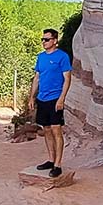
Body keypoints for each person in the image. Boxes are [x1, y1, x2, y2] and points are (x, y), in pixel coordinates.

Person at [27, 27, 72, 177]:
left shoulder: (62, 57)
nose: (44, 42)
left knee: (56, 130)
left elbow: (67, 79)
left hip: (55, 99)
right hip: (42, 99)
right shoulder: (41, 57)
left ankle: (58, 165)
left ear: (55, 41)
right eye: (43, 39)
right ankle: (51, 160)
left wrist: (61, 98)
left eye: (46, 39)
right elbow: (37, 78)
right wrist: (32, 97)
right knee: (46, 130)